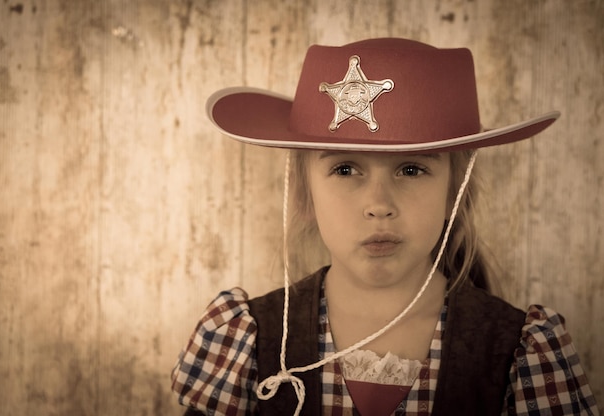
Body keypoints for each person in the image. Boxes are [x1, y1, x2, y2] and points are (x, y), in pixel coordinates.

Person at [170, 38, 599, 415]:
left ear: (455, 193)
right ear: (304, 196)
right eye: (344, 169)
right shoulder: (247, 339)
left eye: (411, 169)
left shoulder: (521, 353)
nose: (379, 205)